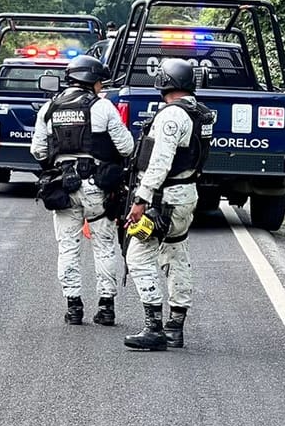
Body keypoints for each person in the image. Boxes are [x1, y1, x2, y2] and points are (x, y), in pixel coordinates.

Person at [30, 54, 134, 327]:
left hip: (63, 187)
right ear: (91, 81)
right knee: (104, 247)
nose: (101, 86)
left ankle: (73, 307)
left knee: (67, 248)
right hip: (97, 187)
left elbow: (38, 151)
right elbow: (127, 147)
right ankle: (106, 307)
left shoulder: (49, 109)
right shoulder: (103, 107)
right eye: (100, 82)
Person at [123, 59, 215, 351]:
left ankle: (154, 328)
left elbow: (160, 161)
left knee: (137, 256)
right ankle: (175, 326)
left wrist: (141, 199)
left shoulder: (171, 116)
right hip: (186, 194)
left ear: (165, 82)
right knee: (176, 253)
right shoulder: (200, 113)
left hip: (164, 199)